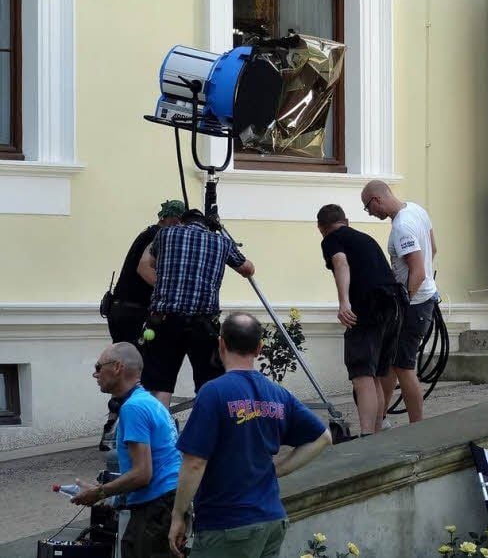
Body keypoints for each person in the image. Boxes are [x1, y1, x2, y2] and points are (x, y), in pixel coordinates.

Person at [168, 312, 332, 558]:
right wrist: (277, 470)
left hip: (227, 524)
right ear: (259, 348)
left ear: (221, 344)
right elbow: (323, 437)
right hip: (272, 520)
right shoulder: (278, 394)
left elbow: (194, 463)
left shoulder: (213, 393)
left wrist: (178, 515)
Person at [72, 343, 181, 558]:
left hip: (155, 508)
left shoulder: (133, 408)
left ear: (117, 367)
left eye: (98, 367)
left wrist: (100, 492)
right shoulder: (150, 401)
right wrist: (109, 494)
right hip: (168, 502)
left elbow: (142, 474)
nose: (95, 374)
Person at [137, 209, 255, 408]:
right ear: (207, 225)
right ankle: (207, 425)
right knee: (208, 384)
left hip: (165, 320)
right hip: (203, 324)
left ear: (182, 222)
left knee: (160, 384)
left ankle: (160, 426)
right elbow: (248, 269)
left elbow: (151, 262)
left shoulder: (165, 234)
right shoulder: (221, 242)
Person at [317, 204, 405, 435]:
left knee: (362, 375)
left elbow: (340, 263)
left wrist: (344, 302)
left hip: (368, 308)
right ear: (346, 221)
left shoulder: (331, 239)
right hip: (393, 306)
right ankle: (375, 432)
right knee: (375, 376)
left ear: (321, 228)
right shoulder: (365, 238)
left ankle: (366, 436)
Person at [360, 180, 437, 424]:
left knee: (404, 366)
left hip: (414, 305)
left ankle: (417, 428)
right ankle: (380, 418)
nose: (369, 213)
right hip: (422, 300)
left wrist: (402, 305)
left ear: (377, 200)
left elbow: (418, 272)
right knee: (391, 363)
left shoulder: (402, 226)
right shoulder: (416, 210)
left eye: (368, 207)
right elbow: (433, 249)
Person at [106, 200, 185, 344]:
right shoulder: (158, 236)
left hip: (120, 308)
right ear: (170, 219)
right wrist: (170, 291)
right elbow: (144, 269)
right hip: (133, 311)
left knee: (122, 354)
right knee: (135, 356)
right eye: (178, 222)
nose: (180, 227)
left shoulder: (149, 232)